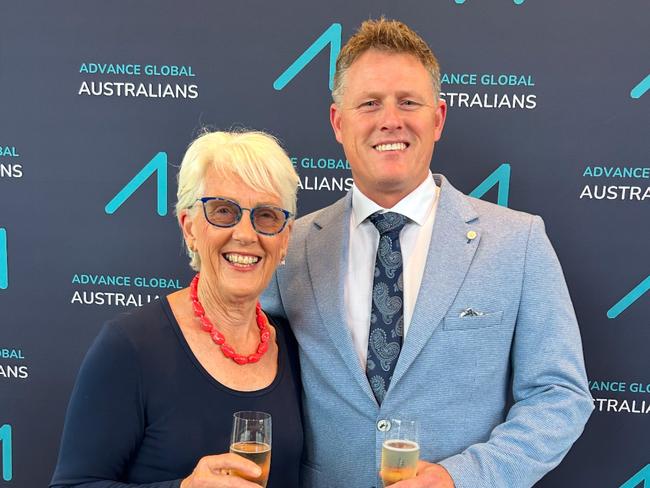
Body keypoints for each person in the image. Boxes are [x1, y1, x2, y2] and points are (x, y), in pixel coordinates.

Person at [261, 18, 593, 488]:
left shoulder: (518, 242)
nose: (389, 120)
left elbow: (560, 395)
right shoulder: (292, 246)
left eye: (408, 102)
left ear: (437, 118)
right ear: (339, 122)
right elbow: (233, 357)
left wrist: (462, 479)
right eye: (369, 103)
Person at [51, 130, 302, 488]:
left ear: (285, 238)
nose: (245, 234)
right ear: (189, 228)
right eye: (223, 212)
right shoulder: (130, 347)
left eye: (265, 216)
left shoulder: (294, 346)